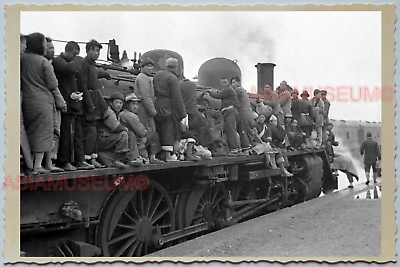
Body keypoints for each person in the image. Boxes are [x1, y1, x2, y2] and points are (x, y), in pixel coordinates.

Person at [52, 41, 95, 171]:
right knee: (66, 135)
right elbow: (71, 68)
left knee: (78, 135)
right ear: (69, 51)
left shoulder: (72, 63)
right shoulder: (58, 61)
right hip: (65, 104)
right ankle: (64, 161)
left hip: (75, 104)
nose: (76, 57)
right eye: (75, 54)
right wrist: (81, 59)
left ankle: (80, 160)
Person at [20, 32, 59, 173]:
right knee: (44, 133)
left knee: (32, 132)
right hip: (43, 101)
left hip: (27, 101)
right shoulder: (43, 61)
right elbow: (53, 84)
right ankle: (38, 165)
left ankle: (45, 164)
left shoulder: (21, 59)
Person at [77, 39, 111, 168]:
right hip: (89, 99)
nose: (96, 53)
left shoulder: (91, 65)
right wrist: (89, 104)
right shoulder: (84, 65)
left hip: (95, 99)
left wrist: (105, 74)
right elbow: (83, 86)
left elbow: (96, 72)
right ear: (87, 50)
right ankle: (86, 159)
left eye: (98, 51)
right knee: (90, 132)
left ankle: (93, 158)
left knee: (95, 132)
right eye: (94, 50)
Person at [153, 57, 187, 162]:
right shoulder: (173, 78)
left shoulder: (157, 75)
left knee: (160, 129)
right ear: (176, 67)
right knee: (169, 129)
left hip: (157, 103)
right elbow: (177, 97)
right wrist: (183, 114)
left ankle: (160, 153)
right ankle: (168, 155)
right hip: (168, 105)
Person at [120, 93, 164, 164]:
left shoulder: (123, 114)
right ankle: (152, 157)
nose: (135, 107)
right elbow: (141, 132)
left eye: (136, 104)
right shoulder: (130, 115)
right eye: (133, 104)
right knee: (154, 135)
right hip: (133, 142)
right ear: (127, 105)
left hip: (129, 141)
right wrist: (146, 130)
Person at [205, 78, 241, 156]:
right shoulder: (226, 90)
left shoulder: (228, 89)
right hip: (227, 112)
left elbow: (217, 95)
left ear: (228, 83)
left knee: (231, 130)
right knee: (229, 130)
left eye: (225, 82)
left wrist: (208, 91)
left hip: (230, 111)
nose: (223, 84)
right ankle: (233, 148)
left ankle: (235, 149)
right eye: (222, 82)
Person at [97, 92, 133, 168]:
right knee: (124, 134)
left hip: (106, 138)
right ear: (111, 103)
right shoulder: (109, 112)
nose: (119, 105)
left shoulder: (116, 113)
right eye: (117, 102)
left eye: (121, 103)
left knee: (129, 134)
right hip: (102, 138)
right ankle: (119, 160)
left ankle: (130, 158)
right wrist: (125, 129)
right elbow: (116, 127)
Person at [180, 75, 213, 148]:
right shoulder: (193, 85)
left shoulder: (180, 85)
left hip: (185, 111)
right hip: (192, 111)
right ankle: (202, 145)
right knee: (203, 125)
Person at [326, 122, 359, 188]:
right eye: (330, 126)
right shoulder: (324, 133)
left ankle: (335, 171)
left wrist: (335, 143)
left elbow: (332, 142)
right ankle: (336, 171)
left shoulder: (331, 134)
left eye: (332, 126)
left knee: (334, 161)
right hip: (328, 150)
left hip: (330, 151)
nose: (331, 128)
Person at [231, 76, 256, 149]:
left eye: (234, 82)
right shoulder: (243, 90)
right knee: (246, 128)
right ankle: (249, 144)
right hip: (247, 111)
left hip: (243, 111)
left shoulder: (238, 90)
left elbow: (232, 97)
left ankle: (246, 145)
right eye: (232, 83)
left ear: (238, 82)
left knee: (244, 128)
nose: (233, 84)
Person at [135, 57, 157, 131]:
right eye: (147, 66)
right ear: (142, 67)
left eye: (151, 66)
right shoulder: (143, 78)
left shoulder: (144, 77)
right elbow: (145, 96)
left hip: (145, 109)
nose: (150, 68)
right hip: (144, 110)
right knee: (149, 131)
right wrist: (153, 111)